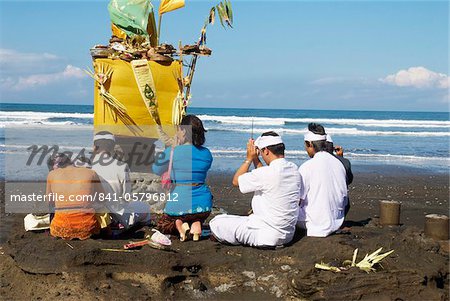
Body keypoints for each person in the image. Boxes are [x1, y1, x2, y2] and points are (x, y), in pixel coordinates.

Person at [209, 132, 300, 247]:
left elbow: (236, 181)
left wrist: (248, 159)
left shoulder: (267, 173)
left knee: (217, 222)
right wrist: (256, 159)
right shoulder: (294, 169)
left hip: (265, 235)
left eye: (261, 152)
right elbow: (264, 176)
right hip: (287, 234)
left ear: (266, 151)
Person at [153, 115, 213, 241]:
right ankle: (196, 223)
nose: (177, 133)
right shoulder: (206, 153)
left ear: (184, 131)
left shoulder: (172, 151)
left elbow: (155, 169)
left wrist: (172, 149)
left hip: (179, 202)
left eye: (179, 130)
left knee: (163, 224)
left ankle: (179, 224)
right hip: (203, 206)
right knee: (194, 214)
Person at [91, 131, 151, 229]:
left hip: (95, 215)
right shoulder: (122, 166)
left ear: (94, 147)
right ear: (112, 147)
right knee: (144, 207)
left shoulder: (87, 167)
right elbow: (126, 196)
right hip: (118, 216)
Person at [297, 123, 348, 237]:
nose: (306, 150)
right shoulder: (339, 164)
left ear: (310, 144)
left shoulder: (307, 166)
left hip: (315, 222)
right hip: (337, 219)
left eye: (306, 146)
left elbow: (298, 199)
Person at [46, 153, 104, 240]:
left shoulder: (51, 174)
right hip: (88, 228)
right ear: (71, 161)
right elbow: (102, 198)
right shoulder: (91, 173)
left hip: (60, 228)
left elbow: (49, 201)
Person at [325, 134, 353, 216]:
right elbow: (349, 180)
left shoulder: (314, 163)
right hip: (341, 206)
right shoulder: (345, 162)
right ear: (333, 148)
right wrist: (341, 158)